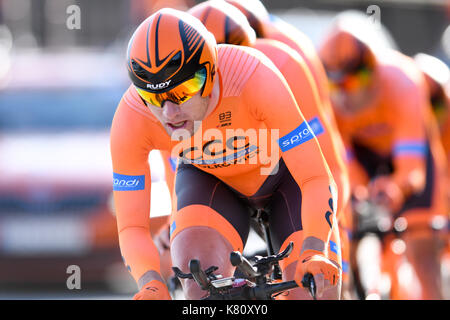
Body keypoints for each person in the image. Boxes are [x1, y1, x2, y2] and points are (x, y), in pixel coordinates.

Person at [111, 8, 341, 300]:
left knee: (314, 288)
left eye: (184, 89)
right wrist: (150, 282)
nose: (170, 111)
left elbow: (315, 176)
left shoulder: (253, 76)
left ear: (209, 72)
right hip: (211, 183)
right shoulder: (132, 118)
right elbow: (132, 225)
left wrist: (315, 249)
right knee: (200, 284)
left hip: (284, 179)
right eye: (153, 97)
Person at [187, 0, 352, 299]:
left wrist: (331, 242)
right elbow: (177, 171)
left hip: (286, 170)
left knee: (321, 279)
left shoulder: (286, 61)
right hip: (231, 179)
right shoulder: (176, 104)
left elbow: (328, 165)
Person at [318, 21, 448, 299]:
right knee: (339, 219)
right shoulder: (326, 96)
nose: (347, 93)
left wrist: (397, 187)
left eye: (356, 81)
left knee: (420, 243)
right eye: (337, 83)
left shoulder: (402, 80)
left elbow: (413, 168)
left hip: (405, 152)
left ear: (373, 70)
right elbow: (340, 156)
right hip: (364, 153)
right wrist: (355, 189)